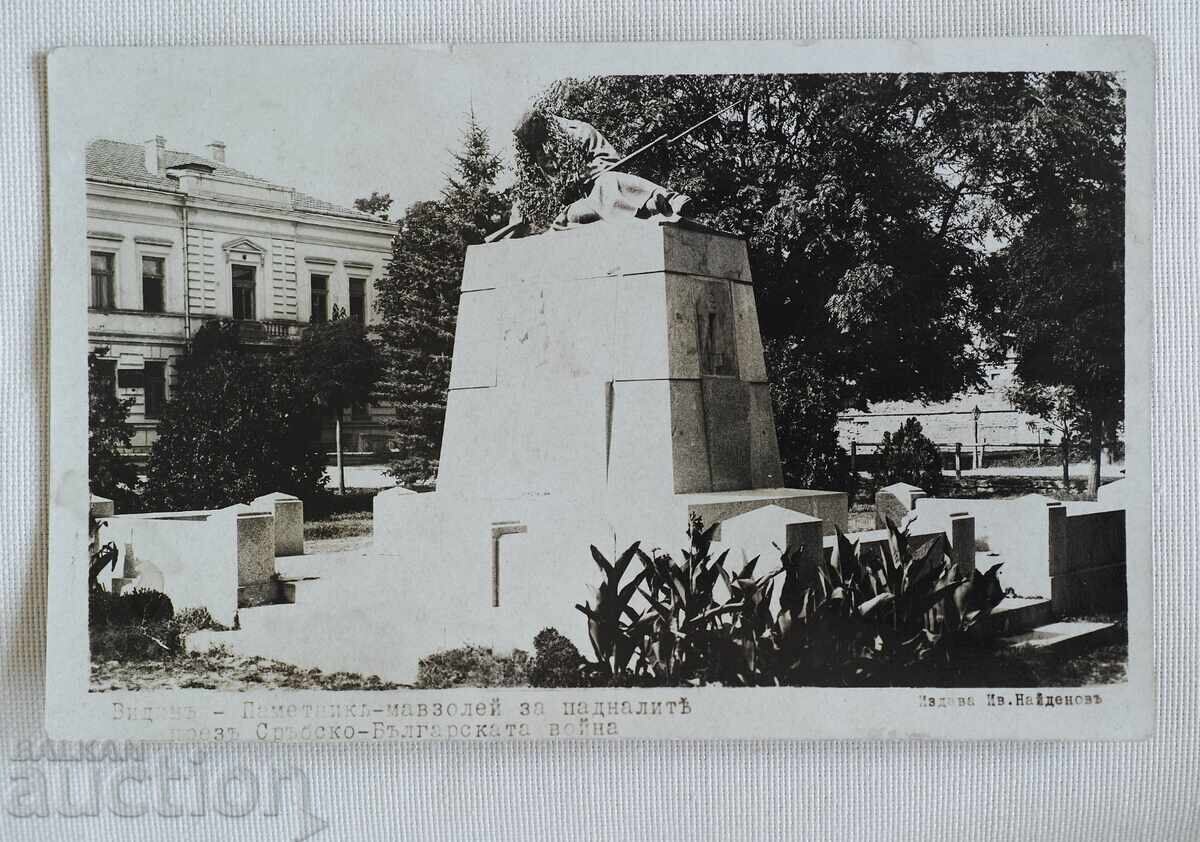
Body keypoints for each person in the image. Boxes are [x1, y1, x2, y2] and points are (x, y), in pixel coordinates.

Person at [509, 109, 691, 232]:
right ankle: (650, 207)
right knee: (572, 216)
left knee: (607, 182)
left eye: (530, 136)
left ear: (538, 122)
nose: (530, 143)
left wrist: (582, 175)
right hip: (583, 207)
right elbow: (531, 192)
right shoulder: (536, 154)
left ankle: (671, 200)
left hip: (605, 191)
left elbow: (611, 161)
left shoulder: (579, 131)